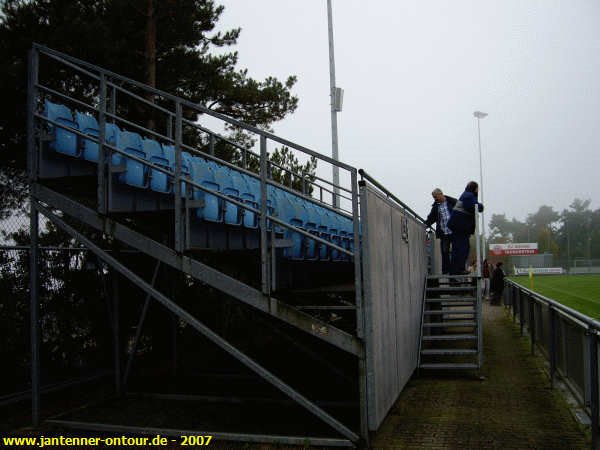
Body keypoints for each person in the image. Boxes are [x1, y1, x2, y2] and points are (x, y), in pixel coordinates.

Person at [447, 181, 484, 275]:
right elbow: (472, 206)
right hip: (460, 226)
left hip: (458, 226)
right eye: (477, 189)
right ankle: (459, 269)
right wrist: (481, 206)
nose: (478, 190)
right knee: (463, 248)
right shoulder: (469, 196)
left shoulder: (466, 194)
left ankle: (455, 270)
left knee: (457, 248)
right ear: (475, 188)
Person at [425, 188, 457, 275]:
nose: (435, 199)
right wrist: (425, 225)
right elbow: (431, 218)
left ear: (441, 194)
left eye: (436, 197)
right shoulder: (436, 206)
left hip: (454, 232)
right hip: (444, 233)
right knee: (444, 251)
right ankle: (446, 270)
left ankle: (455, 269)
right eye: (433, 197)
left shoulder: (452, 202)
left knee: (456, 251)